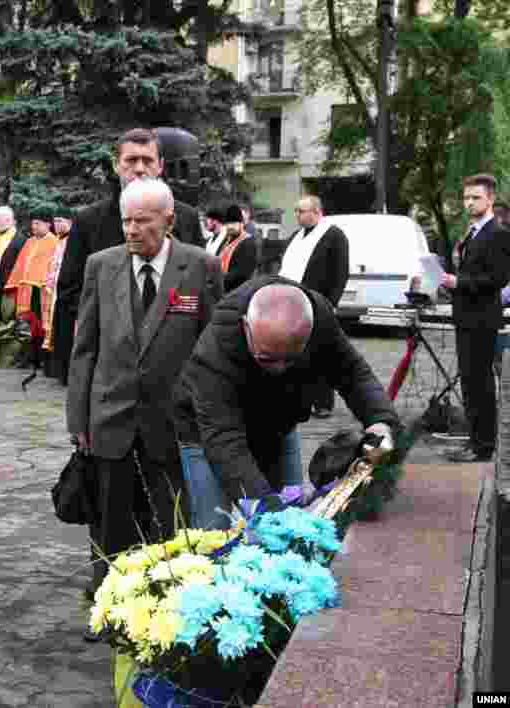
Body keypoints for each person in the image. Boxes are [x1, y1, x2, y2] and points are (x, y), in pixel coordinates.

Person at [66, 178, 223, 640]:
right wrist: (79, 419)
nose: (131, 230)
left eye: (142, 221)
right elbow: (85, 348)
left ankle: (164, 615)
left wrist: (207, 415)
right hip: (109, 420)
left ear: (169, 221)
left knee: (170, 524)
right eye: (126, 221)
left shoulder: (201, 267)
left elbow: (212, 348)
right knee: (109, 524)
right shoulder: (101, 265)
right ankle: (109, 610)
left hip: (172, 426)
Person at [174, 279, 399, 529]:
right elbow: (223, 438)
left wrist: (380, 421)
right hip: (207, 433)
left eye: (290, 359)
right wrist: (262, 505)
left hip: (278, 425)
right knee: (215, 526)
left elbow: (352, 372)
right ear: (246, 327)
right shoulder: (215, 351)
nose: (279, 370)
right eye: (267, 359)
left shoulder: (320, 321)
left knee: (291, 520)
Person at [53, 128, 205, 384]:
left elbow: (201, 286)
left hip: (175, 367)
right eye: (131, 160)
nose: (139, 168)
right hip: (112, 365)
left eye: (148, 160)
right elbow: (70, 290)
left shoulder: (186, 218)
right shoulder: (89, 221)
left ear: (161, 166)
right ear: (116, 165)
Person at [440, 174, 510, 462]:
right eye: (466, 198)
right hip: (466, 316)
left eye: (476, 198)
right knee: (470, 382)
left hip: (482, 318)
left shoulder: (498, 233)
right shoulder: (472, 232)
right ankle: (475, 440)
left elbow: (498, 278)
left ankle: (483, 446)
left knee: (479, 384)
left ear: (490, 199)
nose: (469, 203)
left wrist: (460, 283)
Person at [278, 195, 349, 419]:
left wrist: (330, 304)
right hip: (293, 302)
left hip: (319, 304)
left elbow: (340, 272)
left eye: (302, 211)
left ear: (317, 211)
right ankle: (297, 398)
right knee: (295, 353)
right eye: (296, 211)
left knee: (320, 354)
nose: (297, 215)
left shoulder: (333, 235)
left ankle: (322, 402)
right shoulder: (296, 237)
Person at [4, 209, 60, 365]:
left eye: (37, 223)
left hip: (42, 291)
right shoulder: (29, 242)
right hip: (27, 290)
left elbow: (52, 267)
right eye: (32, 223)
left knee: (43, 325)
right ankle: (29, 356)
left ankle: (43, 358)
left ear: (48, 224)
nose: (33, 226)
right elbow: (20, 264)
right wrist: (14, 283)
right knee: (27, 325)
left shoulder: (53, 242)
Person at [43, 208, 73, 380]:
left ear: (70, 222)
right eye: (55, 221)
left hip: (64, 290)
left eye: (60, 220)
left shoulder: (72, 240)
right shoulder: (58, 241)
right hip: (53, 289)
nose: (57, 224)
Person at [219, 204, 260, 293]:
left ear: (241, 223)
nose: (230, 226)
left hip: (237, 292)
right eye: (228, 223)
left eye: (234, 223)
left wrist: (218, 281)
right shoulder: (226, 240)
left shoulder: (248, 242)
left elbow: (241, 274)